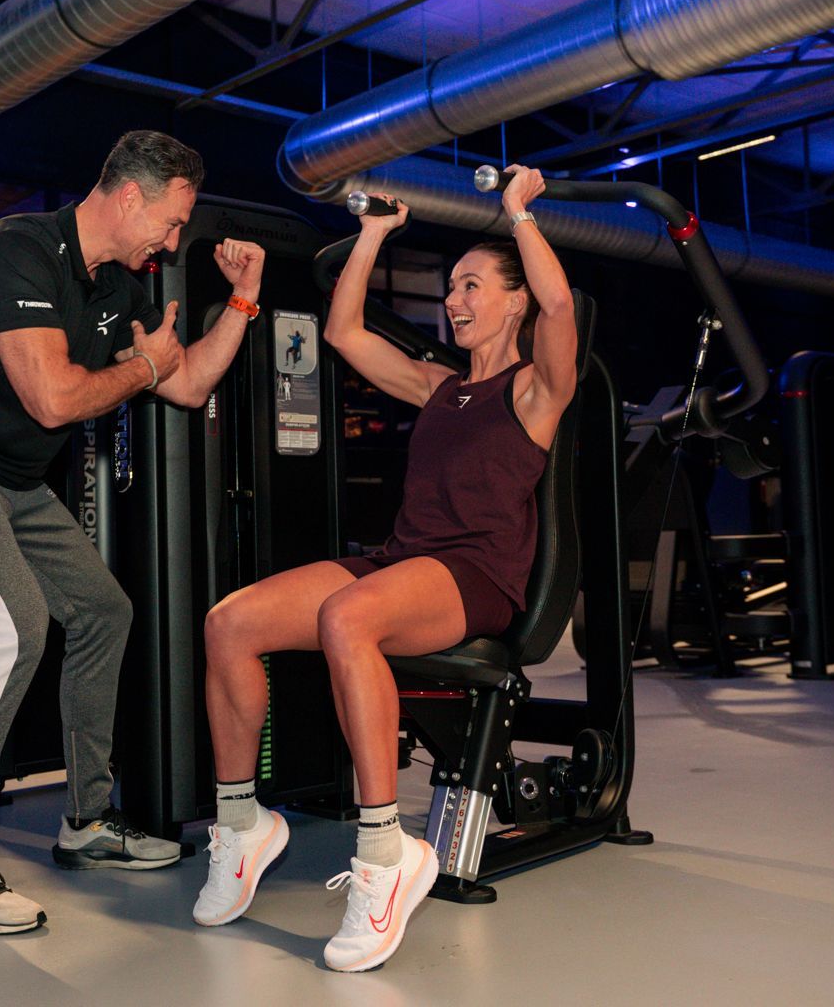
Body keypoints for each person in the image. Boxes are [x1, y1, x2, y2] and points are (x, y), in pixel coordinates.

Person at [0, 131, 267, 935]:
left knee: (103, 611)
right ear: (130, 196)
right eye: (171, 222)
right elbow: (53, 399)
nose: (173, 242)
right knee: (12, 633)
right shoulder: (17, 253)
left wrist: (242, 302)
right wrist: (145, 368)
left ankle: (86, 821)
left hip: (13, 479)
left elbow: (190, 382)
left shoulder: (117, 286)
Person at [191, 166, 577, 971]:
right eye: (451, 288)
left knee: (347, 616)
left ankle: (384, 853)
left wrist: (518, 215)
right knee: (230, 623)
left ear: (514, 303)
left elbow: (563, 308)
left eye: (472, 287)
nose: (454, 301)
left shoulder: (536, 391)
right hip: (403, 560)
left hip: (474, 576)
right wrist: (370, 234)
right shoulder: (440, 387)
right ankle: (241, 824)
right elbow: (342, 333)